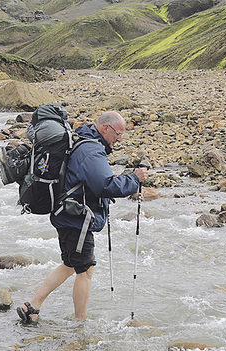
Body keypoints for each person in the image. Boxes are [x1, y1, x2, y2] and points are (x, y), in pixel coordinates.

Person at [17, 111, 149, 323]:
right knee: (85, 270)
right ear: (105, 128)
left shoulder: (83, 140)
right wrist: (134, 179)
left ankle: (32, 305)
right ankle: (81, 325)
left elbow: (86, 182)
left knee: (70, 265)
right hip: (76, 219)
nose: (120, 139)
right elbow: (106, 185)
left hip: (67, 215)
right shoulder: (90, 150)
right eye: (118, 133)